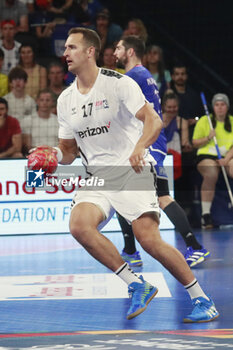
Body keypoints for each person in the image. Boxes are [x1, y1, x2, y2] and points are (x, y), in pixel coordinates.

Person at [32, 27, 219, 323]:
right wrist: (52, 156)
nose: (64, 53)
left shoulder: (118, 83)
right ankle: (137, 284)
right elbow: (68, 151)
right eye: (65, 48)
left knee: (149, 240)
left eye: (71, 48)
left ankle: (202, 299)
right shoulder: (65, 99)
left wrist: (140, 146)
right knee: (79, 226)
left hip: (129, 169)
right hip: (97, 175)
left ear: (90, 51)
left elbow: (154, 120)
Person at [114, 36, 210, 269]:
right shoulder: (144, 74)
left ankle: (194, 247)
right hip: (151, 143)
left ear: (130, 52)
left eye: (118, 48)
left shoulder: (132, 77)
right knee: (127, 193)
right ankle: (131, 250)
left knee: (157, 196)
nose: (114, 51)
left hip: (145, 143)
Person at [192, 93, 233, 229]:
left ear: (227, 107)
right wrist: (208, 138)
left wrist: (226, 159)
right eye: (217, 105)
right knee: (211, 174)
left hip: (227, 156)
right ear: (213, 107)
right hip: (207, 155)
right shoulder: (205, 121)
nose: (220, 108)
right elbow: (195, 143)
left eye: (223, 105)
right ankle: (206, 214)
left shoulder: (232, 121)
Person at [170, 63, 204, 223]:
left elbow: (201, 116)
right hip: (171, 135)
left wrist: (193, 121)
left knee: (189, 163)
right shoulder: (168, 93)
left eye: (182, 74)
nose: (180, 77)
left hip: (189, 136)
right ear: (172, 76)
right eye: (177, 74)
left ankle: (189, 209)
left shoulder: (193, 94)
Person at [21, 89, 59, 153]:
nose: (44, 103)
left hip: (55, 154)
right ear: (37, 101)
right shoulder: (27, 120)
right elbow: (27, 146)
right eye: (42, 100)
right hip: (35, 155)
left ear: (52, 102)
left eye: (47, 100)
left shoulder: (59, 121)